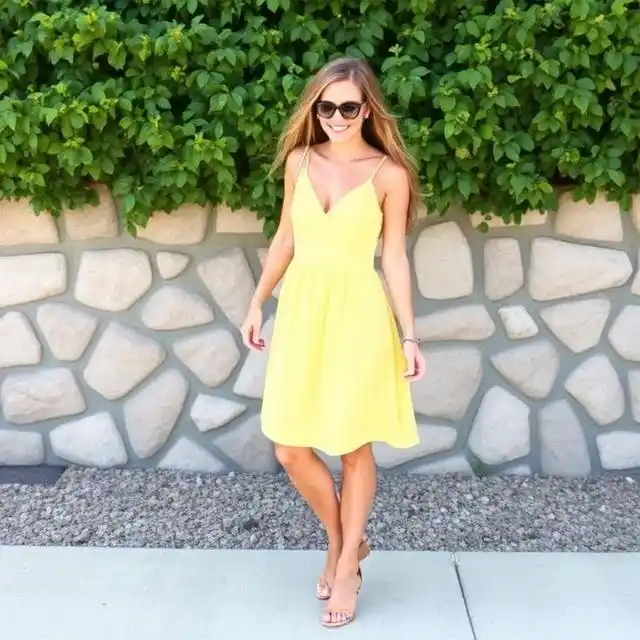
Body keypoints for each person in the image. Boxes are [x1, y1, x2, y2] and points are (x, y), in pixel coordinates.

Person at [240, 56, 426, 628]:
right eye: (326, 106)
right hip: (301, 313)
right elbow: (285, 238)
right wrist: (256, 302)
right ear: (314, 108)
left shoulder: (389, 173)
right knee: (291, 448)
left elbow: (393, 257)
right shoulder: (300, 160)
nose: (337, 116)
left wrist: (410, 334)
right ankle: (345, 540)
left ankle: (345, 565)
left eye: (349, 106)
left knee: (353, 447)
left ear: (367, 108)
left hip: (358, 317)